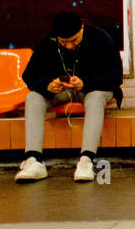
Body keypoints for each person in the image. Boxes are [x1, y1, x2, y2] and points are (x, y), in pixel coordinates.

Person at [15, 11, 123, 183]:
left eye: (74, 40)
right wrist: (47, 84)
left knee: (95, 99)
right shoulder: (49, 41)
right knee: (33, 98)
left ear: (82, 28)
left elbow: (116, 76)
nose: (69, 46)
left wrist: (85, 83)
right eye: (64, 42)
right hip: (63, 90)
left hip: (94, 89)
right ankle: (33, 160)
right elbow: (29, 75)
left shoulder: (101, 38)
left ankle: (86, 159)